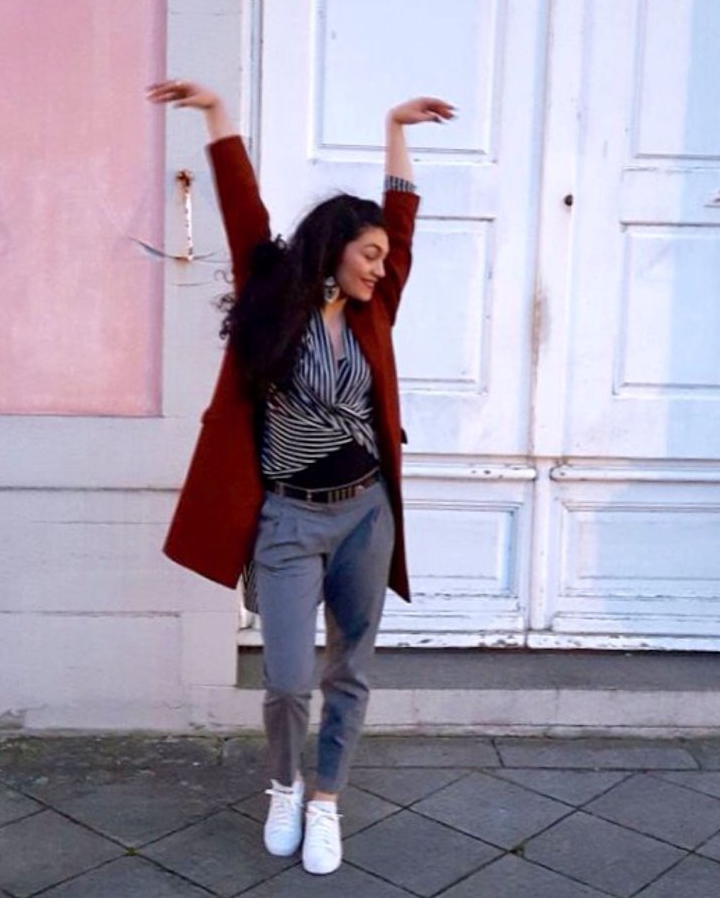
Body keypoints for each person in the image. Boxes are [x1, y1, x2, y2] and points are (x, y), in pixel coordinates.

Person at [146, 79, 454, 874]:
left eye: (384, 258)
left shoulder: (374, 312)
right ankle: (283, 786)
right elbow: (241, 204)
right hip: (288, 518)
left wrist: (393, 127)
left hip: (365, 516)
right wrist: (216, 115)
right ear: (334, 248)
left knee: (349, 669)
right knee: (286, 679)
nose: (382, 269)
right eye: (369, 255)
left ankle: (326, 800)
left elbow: (403, 221)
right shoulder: (272, 295)